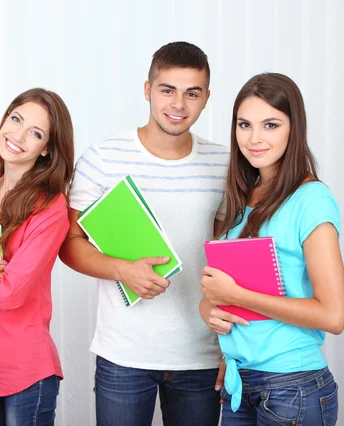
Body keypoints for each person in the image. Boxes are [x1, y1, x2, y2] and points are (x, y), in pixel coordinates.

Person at [59, 41, 228, 425]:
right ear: (147, 89)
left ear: (206, 98)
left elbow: (228, 253)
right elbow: (70, 244)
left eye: (192, 93)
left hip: (200, 355)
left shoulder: (225, 162)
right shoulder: (103, 157)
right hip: (125, 355)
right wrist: (123, 270)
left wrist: (231, 350)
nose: (178, 104)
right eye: (167, 90)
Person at [199, 72, 344, 425]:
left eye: (270, 125)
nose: (254, 139)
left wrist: (238, 295)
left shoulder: (311, 200)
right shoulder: (242, 198)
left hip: (291, 389)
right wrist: (210, 307)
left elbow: (333, 316)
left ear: (294, 129)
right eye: (244, 124)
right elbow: (232, 293)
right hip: (239, 385)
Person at [0, 88, 74, 425]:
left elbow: (8, 294)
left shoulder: (50, 208)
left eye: (35, 133)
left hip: (26, 371)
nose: (17, 136)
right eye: (15, 119)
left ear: (47, 149)